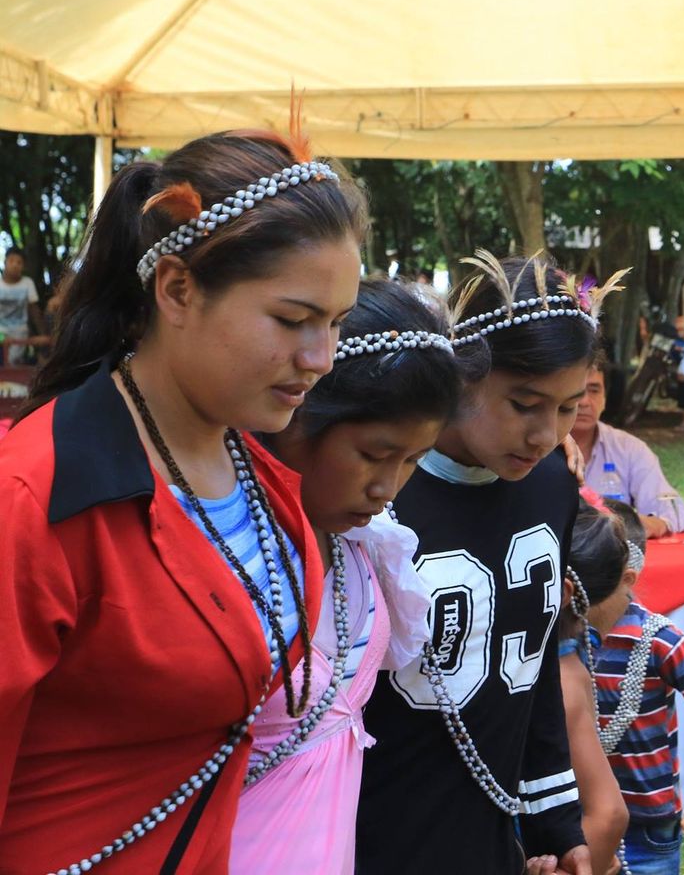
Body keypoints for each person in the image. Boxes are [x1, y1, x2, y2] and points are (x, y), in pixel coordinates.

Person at [0, 129, 366, 872]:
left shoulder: (261, 472)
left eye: (336, 323)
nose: (320, 358)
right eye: (293, 321)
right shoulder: (35, 494)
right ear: (176, 289)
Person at [357, 254, 616, 875]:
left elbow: (537, 657)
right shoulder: (378, 492)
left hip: (496, 824)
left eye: (566, 408)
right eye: (524, 404)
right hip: (378, 816)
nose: (544, 434)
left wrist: (555, 821)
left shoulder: (552, 483)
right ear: (461, 376)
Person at [234, 277, 465, 871]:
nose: (388, 487)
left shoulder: (362, 544)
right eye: (373, 454)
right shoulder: (229, 551)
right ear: (297, 409)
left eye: (413, 460)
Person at [584, 502, 684, 875]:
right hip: (586, 814)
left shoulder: (657, 639)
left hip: (649, 823)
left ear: (626, 579)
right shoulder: (564, 637)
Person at [557, 501, 635, 875]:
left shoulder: (567, 666)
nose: (631, 598)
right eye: (625, 586)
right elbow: (607, 815)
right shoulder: (566, 677)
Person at [573, 358, 684, 536]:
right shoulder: (536, 447)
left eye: (594, 390)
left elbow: (674, 509)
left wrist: (656, 524)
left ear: (605, 398)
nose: (584, 402)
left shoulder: (628, 448)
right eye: (577, 392)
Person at [0, 247, 40, 365]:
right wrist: (1, 337)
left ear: (23, 266)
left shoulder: (27, 283)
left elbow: (34, 310)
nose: (15, 265)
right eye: (11, 261)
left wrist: (42, 334)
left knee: (13, 365)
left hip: (20, 334)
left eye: (19, 262)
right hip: (1, 334)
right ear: (5, 262)